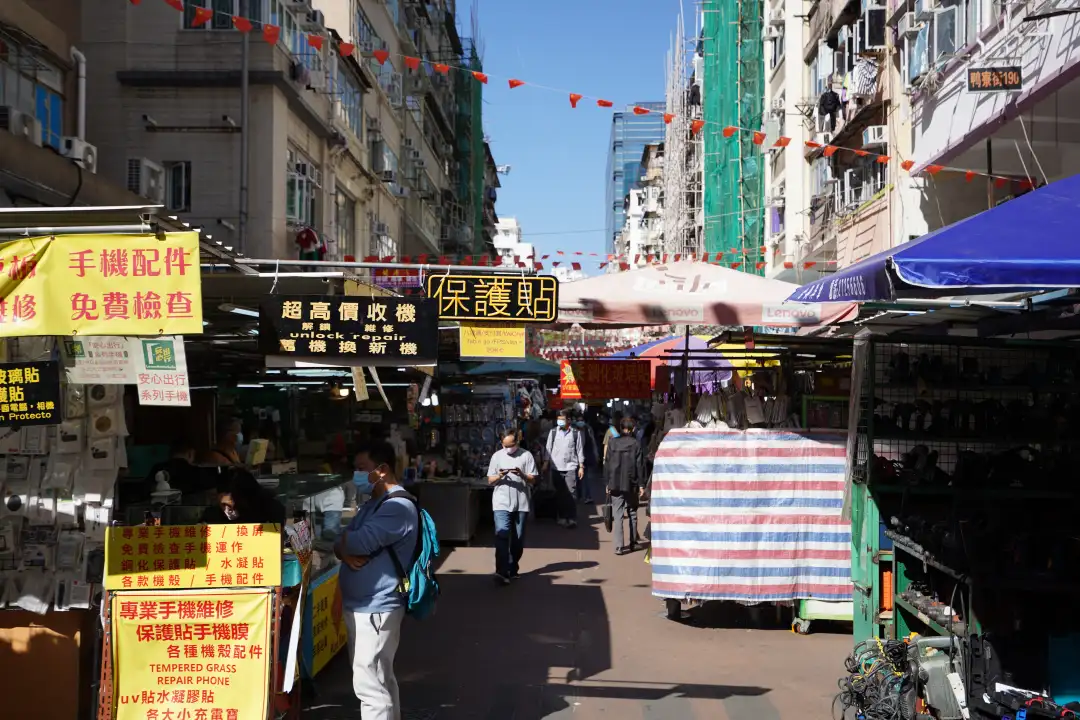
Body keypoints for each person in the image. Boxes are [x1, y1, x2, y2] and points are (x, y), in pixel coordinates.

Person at [333, 441, 419, 720]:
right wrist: (344, 550)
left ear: (381, 470)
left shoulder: (398, 507)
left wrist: (346, 547)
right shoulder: (374, 505)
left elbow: (357, 541)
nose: (357, 476)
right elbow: (341, 542)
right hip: (364, 605)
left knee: (369, 683)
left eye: (362, 469)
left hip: (377, 606)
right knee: (379, 677)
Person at [486, 429, 538, 584]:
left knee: (518, 539)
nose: (509, 448)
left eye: (511, 445)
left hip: (521, 503)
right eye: (505, 445)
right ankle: (501, 571)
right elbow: (490, 480)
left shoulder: (526, 455)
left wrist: (521, 474)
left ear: (517, 442)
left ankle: (513, 567)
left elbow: (533, 479)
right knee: (501, 535)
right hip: (501, 503)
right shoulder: (497, 456)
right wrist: (500, 476)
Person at [605, 417, 646, 555]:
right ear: (632, 428)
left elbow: (607, 464)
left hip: (615, 484)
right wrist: (641, 485)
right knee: (633, 513)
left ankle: (619, 546)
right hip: (631, 483)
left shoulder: (612, 443)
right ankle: (633, 542)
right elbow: (640, 466)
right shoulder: (636, 444)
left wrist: (607, 483)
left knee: (618, 516)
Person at [201, 467, 287, 526]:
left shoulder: (272, 509)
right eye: (224, 504)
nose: (229, 509)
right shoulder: (211, 516)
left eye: (234, 501)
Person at [543, 409, 584, 528]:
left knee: (571, 493)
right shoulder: (553, 432)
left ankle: (571, 518)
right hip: (556, 467)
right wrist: (546, 463)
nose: (560, 421)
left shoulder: (576, 433)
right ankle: (561, 516)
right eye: (558, 419)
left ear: (569, 420)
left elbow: (579, 450)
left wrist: (581, 466)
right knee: (560, 493)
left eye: (562, 419)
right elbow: (548, 448)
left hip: (571, 467)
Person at [575, 418, 598, 504]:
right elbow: (593, 444)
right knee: (583, 477)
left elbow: (580, 447)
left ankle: (584, 495)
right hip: (587, 458)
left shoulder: (579, 433)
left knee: (581, 478)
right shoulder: (588, 431)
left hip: (581, 458)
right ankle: (583, 495)